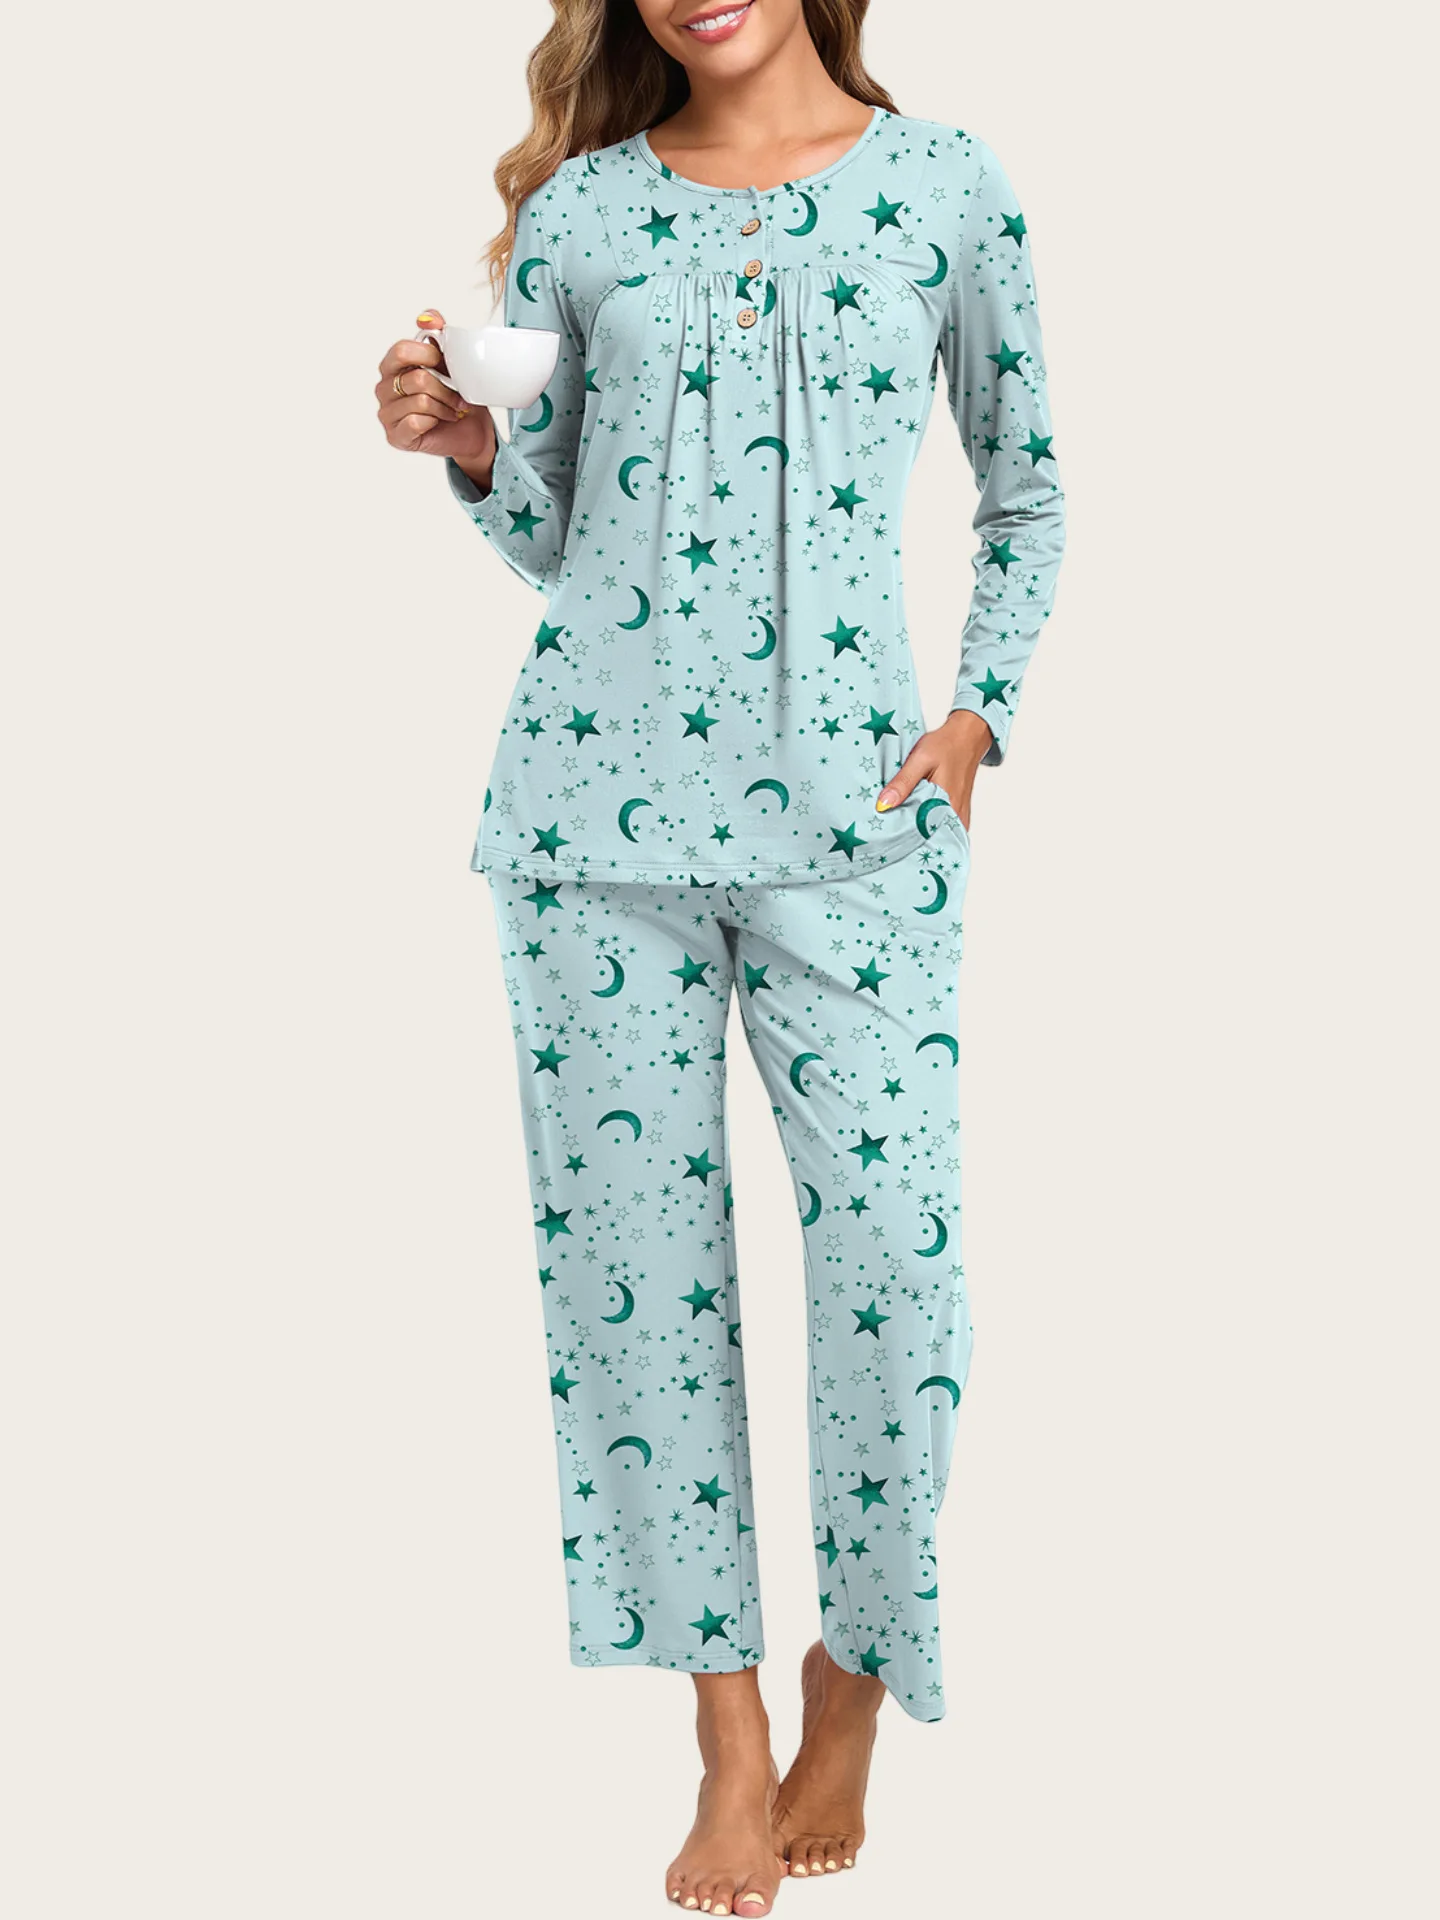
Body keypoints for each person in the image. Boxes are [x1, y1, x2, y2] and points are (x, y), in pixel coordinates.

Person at [376, 1, 1065, 1910]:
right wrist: (467, 447)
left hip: (860, 829)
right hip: (590, 832)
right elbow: (560, 532)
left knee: (895, 1279)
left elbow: (1029, 487)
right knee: (636, 1292)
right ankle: (728, 1729)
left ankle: (862, 1664)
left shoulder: (947, 188)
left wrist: (980, 717)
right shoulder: (585, 212)